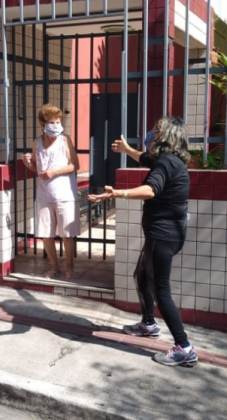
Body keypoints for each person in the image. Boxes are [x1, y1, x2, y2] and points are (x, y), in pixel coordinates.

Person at [88, 116, 197, 367]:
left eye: (157, 130)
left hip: (163, 235)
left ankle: (184, 347)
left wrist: (119, 193)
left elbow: (151, 189)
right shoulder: (169, 160)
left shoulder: (166, 163)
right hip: (165, 233)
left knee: (161, 290)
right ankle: (148, 324)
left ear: (165, 136)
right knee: (141, 275)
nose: (152, 133)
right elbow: (144, 159)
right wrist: (127, 150)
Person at [21, 104, 80, 279]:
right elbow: (36, 168)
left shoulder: (65, 140)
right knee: (46, 234)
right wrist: (27, 163)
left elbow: (75, 165)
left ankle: (70, 266)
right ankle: (54, 267)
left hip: (65, 195)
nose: (56, 125)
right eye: (52, 122)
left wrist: (54, 172)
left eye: (58, 121)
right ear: (42, 123)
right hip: (44, 194)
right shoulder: (36, 143)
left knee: (66, 235)